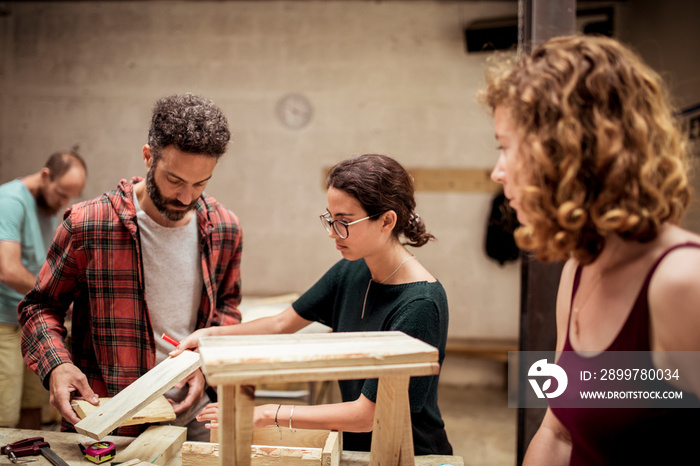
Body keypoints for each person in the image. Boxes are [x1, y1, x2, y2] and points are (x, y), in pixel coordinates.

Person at [483, 35, 700, 464]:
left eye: (506, 148)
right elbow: (558, 431)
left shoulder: (681, 282)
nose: (497, 172)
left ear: (569, 152)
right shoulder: (579, 268)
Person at [171, 154, 453, 455]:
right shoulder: (352, 270)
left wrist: (268, 414)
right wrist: (209, 336)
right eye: (330, 219)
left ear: (386, 220)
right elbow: (283, 323)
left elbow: (368, 414)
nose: (332, 232)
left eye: (344, 223)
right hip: (359, 451)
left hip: (412, 454)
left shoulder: (420, 305)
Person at [19, 93, 243, 441]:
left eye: (200, 183)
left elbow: (227, 307)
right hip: (109, 412)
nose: (186, 198)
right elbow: (40, 306)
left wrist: (207, 362)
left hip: (193, 412)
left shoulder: (224, 228)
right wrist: (58, 365)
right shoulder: (89, 224)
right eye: (174, 180)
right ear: (148, 156)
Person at [0, 151, 87, 429]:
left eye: (70, 197)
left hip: (32, 324)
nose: (65, 203)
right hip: (4, 324)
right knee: (4, 415)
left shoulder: (49, 206)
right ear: (46, 175)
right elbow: (9, 270)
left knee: (34, 407)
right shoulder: (10, 202)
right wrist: (55, 297)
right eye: (61, 194)